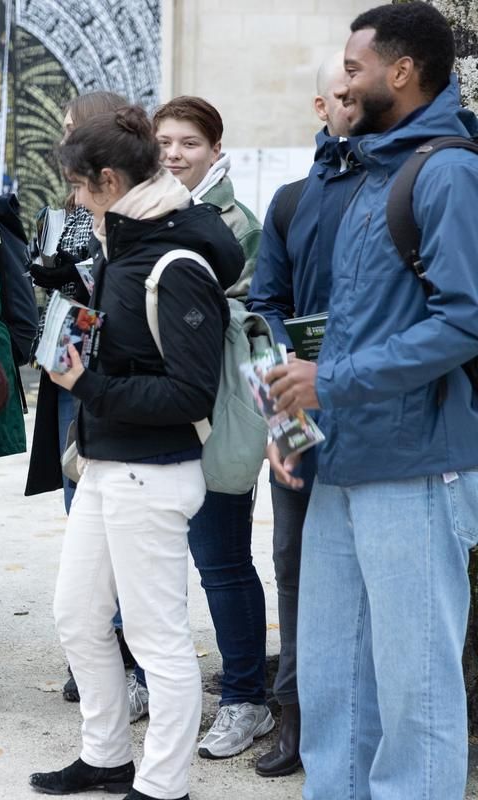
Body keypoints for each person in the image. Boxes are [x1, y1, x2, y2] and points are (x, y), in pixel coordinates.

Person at [266, 5, 478, 797]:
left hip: (416, 469)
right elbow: (330, 329)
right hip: (341, 464)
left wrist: (330, 384)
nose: (341, 86)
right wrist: (293, 422)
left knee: (415, 695)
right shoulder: (365, 174)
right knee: (333, 687)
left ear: (402, 71)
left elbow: (465, 322)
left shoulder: (448, 173)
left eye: (354, 69)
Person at [28, 106, 243, 800]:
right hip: (107, 462)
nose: (73, 198)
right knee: (78, 616)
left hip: (152, 473)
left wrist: (86, 384)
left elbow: (190, 393)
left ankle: (163, 784)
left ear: (110, 180)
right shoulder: (126, 239)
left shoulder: (174, 261)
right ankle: (107, 754)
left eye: (78, 185)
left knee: (157, 639)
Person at [244, 52, 363, 778]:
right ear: (322, 106)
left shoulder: (410, 184)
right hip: (302, 426)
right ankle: (292, 713)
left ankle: (358, 724)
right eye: (342, 94)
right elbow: (263, 314)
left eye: (361, 89)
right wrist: (279, 421)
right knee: (292, 566)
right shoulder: (290, 201)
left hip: (383, 419)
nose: (355, 101)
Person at [148, 95, 271, 759]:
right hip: (154, 414)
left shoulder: (238, 224)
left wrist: (282, 430)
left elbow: (257, 327)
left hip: (217, 414)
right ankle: (155, 685)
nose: (174, 153)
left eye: (189, 142)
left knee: (222, 562)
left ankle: (246, 698)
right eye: (165, 141)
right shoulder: (143, 213)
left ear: (216, 151)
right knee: (154, 564)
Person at [23, 91, 135, 704]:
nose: (64, 140)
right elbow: (59, 284)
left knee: (114, 515)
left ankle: (123, 653)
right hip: (66, 360)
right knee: (78, 503)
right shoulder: (67, 205)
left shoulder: (125, 203)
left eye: (72, 129)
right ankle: (94, 646)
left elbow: (117, 282)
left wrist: (78, 274)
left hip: (111, 369)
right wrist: (43, 267)